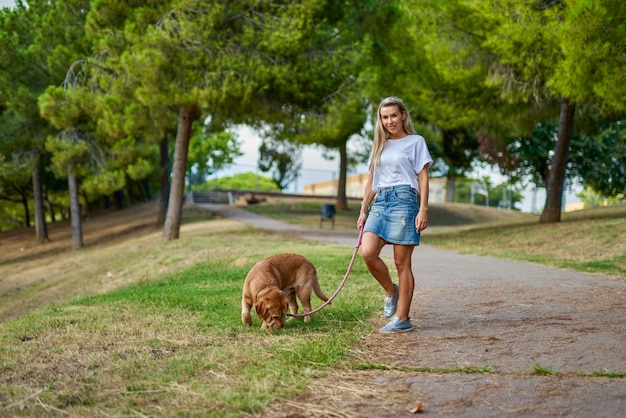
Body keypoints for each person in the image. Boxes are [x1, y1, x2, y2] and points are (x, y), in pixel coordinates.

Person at [357, 96, 433, 333]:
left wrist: (423, 209)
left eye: (393, 115)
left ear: (403, 115)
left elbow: (422, 177)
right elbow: (372, 180)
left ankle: (402, 319)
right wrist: (363, 210)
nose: (389, 121)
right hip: (381, 201)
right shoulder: (380, 145)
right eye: (384, 117)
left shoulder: (415, 142)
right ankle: (391, 290)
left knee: (402, 263)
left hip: (405, 200)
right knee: (368, 253)